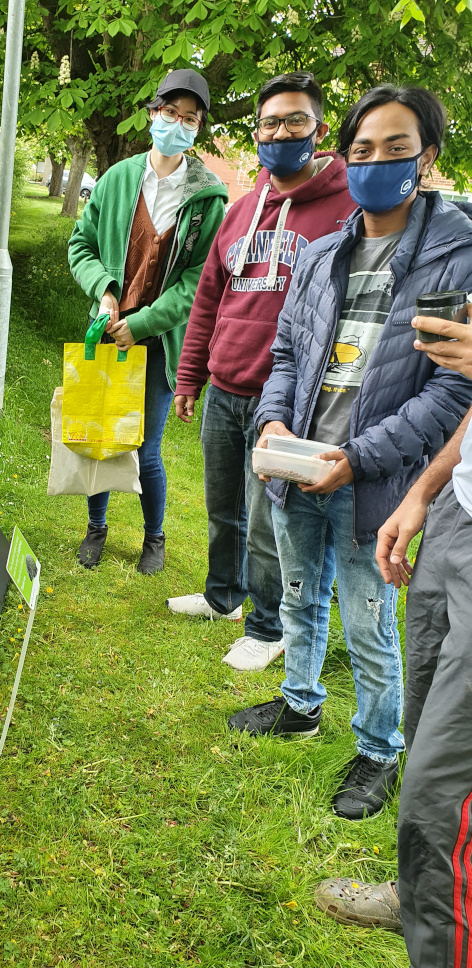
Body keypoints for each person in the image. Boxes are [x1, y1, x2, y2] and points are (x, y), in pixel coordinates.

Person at [229, 84, 472, 819]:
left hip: (377, 478)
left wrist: (361, 457)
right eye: (362, 149)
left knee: (368, 622)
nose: (375, 163)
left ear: (426, 159)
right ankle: (300, 703)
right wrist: (272, 423)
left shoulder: (455, 257)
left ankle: (377, 749)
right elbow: (286, 355)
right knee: (301, 597)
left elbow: (451, 394)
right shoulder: (322, 252)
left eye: (395, 149)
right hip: (300, 465)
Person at [300, 314, 472, 968]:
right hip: (462, 515)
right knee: (424, 714)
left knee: (449, 786)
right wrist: (430, 490)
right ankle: (421, 897)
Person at [170, 71, 356, 672]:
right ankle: (223, 595)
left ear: (319, 129)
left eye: (295, 121)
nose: (281, 132)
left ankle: (269, 623)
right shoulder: (242, 209)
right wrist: (191, 376)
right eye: (270, 123)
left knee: (266, 515)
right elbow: (208, 299)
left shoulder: (347, 205)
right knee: (221, 504)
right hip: (225, 386)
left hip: (290, 400)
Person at [67, 69, 228, 574]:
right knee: (100, 434)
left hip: (158, 342)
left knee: (145, 446)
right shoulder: (117, 179)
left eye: (190, 118)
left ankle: (153, 538)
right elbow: (81, 246)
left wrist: (142, 324)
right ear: (153, 113)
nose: (177, 124)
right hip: (106, 331)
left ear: (197, 128)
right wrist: (106, 290)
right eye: (170, 113)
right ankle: (96, 527)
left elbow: (200, 282)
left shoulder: (209, 198)